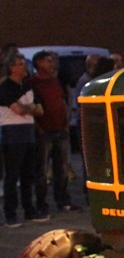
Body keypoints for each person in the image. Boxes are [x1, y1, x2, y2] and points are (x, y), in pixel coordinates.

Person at [0, 53, 46, 227]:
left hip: (28, 133)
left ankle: (29, 209)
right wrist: (30, 108)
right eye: (20, 64)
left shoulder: (27, 86)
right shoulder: (5, 87)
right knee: (12, 176)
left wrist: (28, 108)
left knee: (28, 175)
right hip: (12, 135)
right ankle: (10, 213)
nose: (24, 67)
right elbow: (17, 110)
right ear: (12, 68)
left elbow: (40, 110)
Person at [30, 51, 78, 214]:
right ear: (38, 63)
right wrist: (38, 127)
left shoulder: (55, 81)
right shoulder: (33, 83)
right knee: (42, 170)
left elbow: (61, 100)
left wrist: (66, 122)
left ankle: (63, 201)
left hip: (60, 130)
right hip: (44, 132)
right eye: (48, 61)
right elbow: (32, 106)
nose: (52, 64)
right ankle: (42, 204)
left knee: (62, 169)